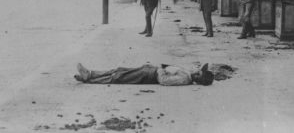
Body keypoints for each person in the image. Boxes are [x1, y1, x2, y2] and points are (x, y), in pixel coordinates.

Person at [73, 62, 214, 86]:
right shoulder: (188, 74)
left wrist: (159, 70)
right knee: (119, 70)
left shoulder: (184, 79)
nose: (196, 70)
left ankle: (89, 79)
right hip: (150, 69)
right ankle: (90, 73)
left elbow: (164, 81)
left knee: (119, 77)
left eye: (199, 72)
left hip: (150, 76)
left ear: (198, 78)